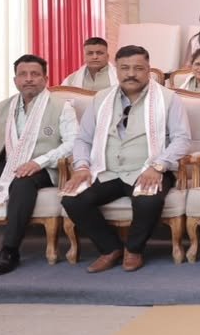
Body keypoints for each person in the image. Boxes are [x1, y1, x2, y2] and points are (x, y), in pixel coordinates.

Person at [61, 45, 191, 273]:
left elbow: (182, 139)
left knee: (148, 201)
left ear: (148, 69)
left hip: (148, 170)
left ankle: (133, 250)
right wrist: (81, 167)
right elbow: (83, 139)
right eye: (125, 68)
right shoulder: (101, 98)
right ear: (117, 69)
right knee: (73, 200)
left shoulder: (169, 98)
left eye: (138, 68)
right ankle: (110, 248)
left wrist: (158, 166)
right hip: (106, 170)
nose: (131, 74)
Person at [0, 55, 77, 275]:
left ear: (45, 79)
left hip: (42, 166)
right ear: (15, 80)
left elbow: (72, 143)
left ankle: (9, 250)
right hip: (6, 162)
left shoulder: (62, 107)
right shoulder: (3, 107)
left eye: (35, 74)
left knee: (22, 182)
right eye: (23, 74)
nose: (29, 79)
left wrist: (39, 161)